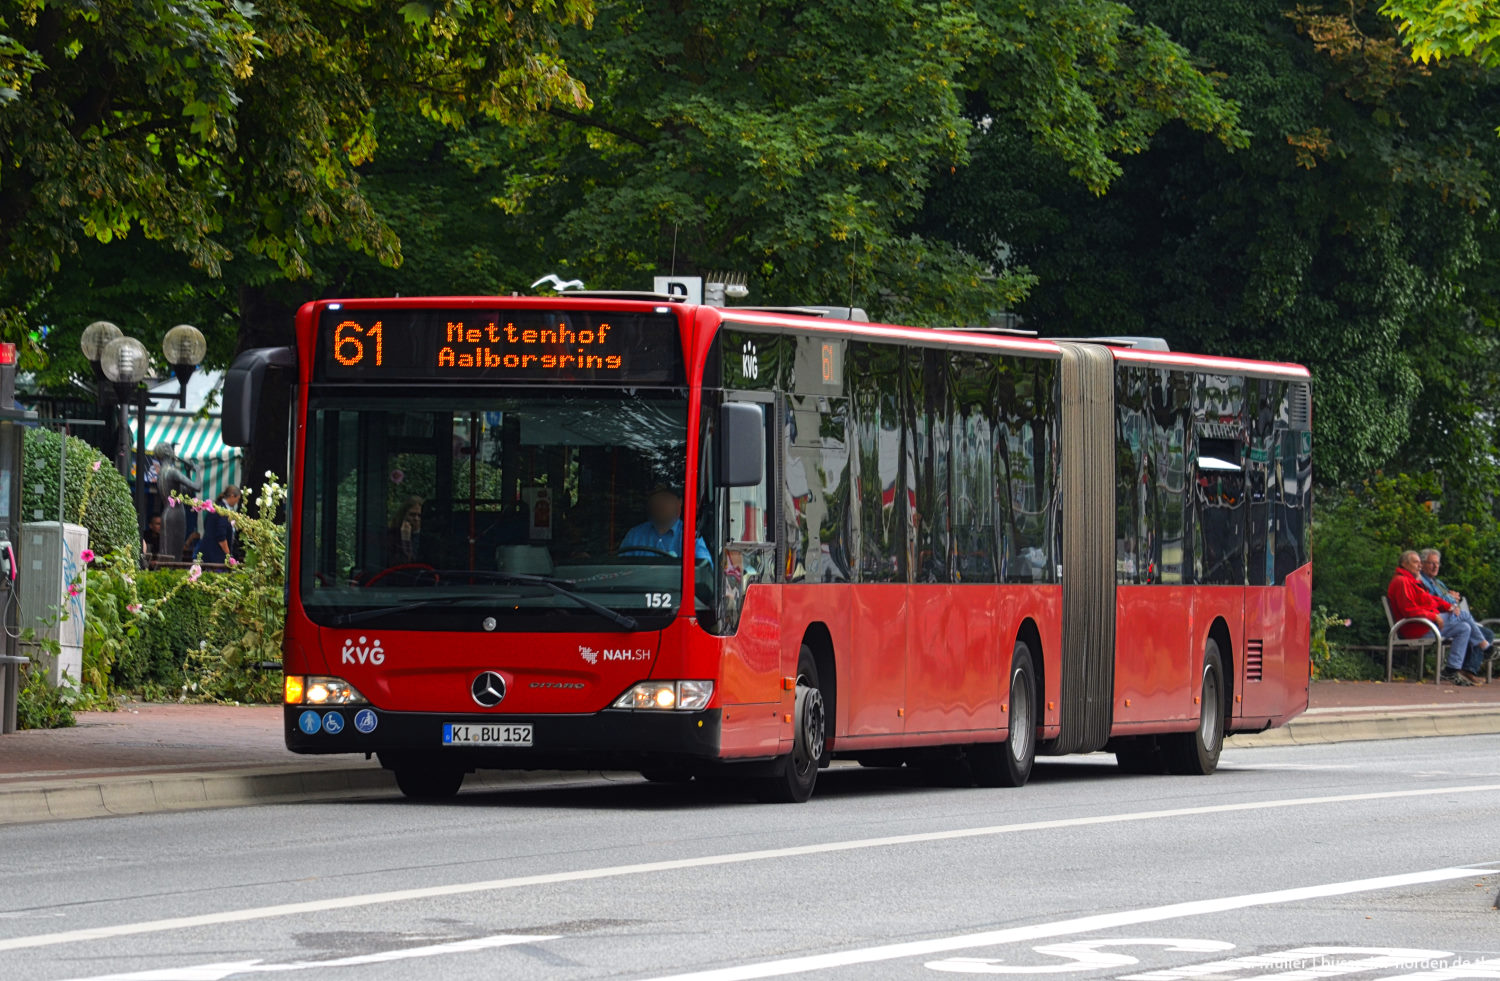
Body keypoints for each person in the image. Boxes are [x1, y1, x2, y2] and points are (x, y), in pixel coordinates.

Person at [1388, 549, 1477, 685]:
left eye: (1419, 562)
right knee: (1463, 616)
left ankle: (1451, 670)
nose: (1419, 565)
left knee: (1464, 628)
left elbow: (1430, 599)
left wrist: (1448, 607)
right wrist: (1434, 616)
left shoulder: (1413, 581)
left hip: (1426, 625)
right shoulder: (1402, 582)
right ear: (1404, 564)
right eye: (1415, 562)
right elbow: (1408, 610)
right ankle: (1485, 646)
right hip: (1415, 628)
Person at [1419, 548, 1495, 679]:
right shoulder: (1421, 581)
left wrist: (1451, 597)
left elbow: (1449, 600)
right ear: (1422, 564)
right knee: (1474, 627)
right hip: (1434, 621)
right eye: (1432, 563)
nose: (1435, 566)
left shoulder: (1437, 582)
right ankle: (1475, 659)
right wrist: (1449, 598)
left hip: (1446, 617)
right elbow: (1432, 600)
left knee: (1473, 628)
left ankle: (1462, 669)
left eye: (1437, 563)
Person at [619, 484, 710, 561]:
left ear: (680, 502)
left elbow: (704, 573)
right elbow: (621, 570)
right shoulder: (634, 535)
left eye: (666, 498)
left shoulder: (692, 538)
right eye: (655, 498)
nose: (660, 503)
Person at [194, 486, 241, 566]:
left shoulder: (216, 507)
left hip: (208, 553)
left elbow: (206, 524)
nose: (237, 502)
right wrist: (229, 556)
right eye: (238, 499)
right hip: (216, 556)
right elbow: (221, 536)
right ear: (232, 496)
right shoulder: (223, 511)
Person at [389, 496, 424, 564]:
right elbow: (403, 562)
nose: (416, 519)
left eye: (419, 516)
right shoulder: (393, 535)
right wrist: (405, 540)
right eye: (412, 515)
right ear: (404, 515)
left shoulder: (427, 537)